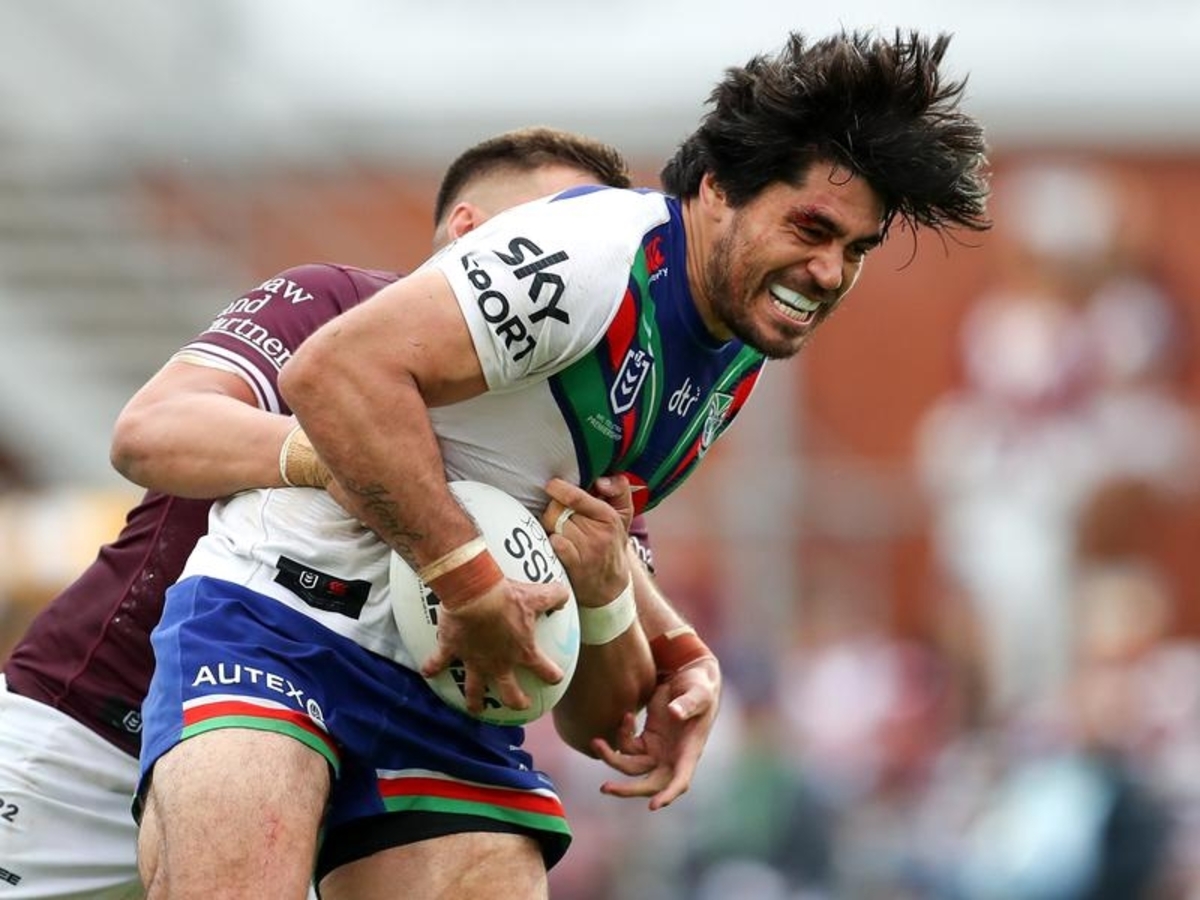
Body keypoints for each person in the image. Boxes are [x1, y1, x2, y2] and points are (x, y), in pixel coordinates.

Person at [135, 28, 991, 900]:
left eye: (857, 249)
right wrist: (469, 581)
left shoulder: (735, 358)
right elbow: (334, 373)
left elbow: (593, 714)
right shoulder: (594, 256)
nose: (829, 271)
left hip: (453, 686)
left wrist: (659, 642)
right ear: (718, 189)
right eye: (812, 228)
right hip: (282, 623)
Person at [0, 127, 714, 900]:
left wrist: (613, 600)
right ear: (471, 231)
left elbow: (592, 720)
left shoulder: (588, 426)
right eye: (561, 222)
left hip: (344, 772)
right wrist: (338, 457)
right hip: (93, 734)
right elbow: (150, 430)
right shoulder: (339, 307)